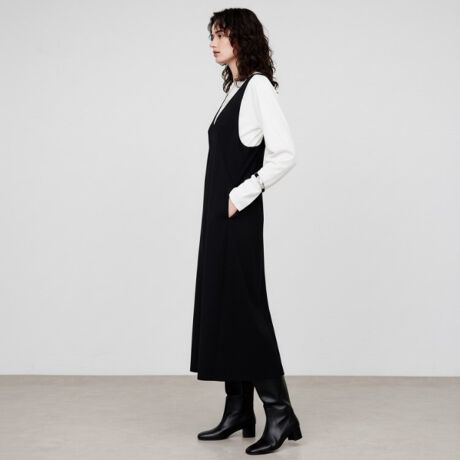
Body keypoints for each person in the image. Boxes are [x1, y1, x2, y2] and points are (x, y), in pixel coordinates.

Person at [190, 8, 302, 455]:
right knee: (224, 307)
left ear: (243, 39)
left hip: (238, 217)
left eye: (221, 35)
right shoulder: (233, 89)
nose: (213, 42)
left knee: (246, 310)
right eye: (212, 35)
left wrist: (243, 193)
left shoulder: (257, 88)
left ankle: (279, 412)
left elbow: (284, 153)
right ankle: (238, 409)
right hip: (218, 219)